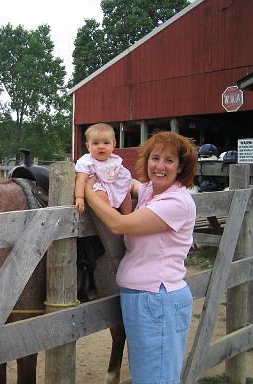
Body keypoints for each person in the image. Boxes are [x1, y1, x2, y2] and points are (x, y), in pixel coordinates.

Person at [84, 130, 198, 384]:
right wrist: (107, 176)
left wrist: (87, 190)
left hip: (157, 298)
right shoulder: (151, 191)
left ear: (181, 167)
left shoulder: (176, 202)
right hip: (143, 297)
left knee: (155, 378)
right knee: (148, 374)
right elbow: (132, 186)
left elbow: (118, 224)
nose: (159, 166)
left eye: (169, 160)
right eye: (154, 158)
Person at [74, 123, 132, 215]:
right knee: (100, 195)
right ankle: (112, 217)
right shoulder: (86, 161)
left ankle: (128, 216)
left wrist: (125, 186)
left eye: (106, 143)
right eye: (95, 143)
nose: (101, 146)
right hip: (98, 187)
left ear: (113, 145)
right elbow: (81, 179)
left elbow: (122, 177)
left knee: (126, 192)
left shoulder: (114, 160)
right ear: (88, 146)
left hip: (114, 186)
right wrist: (79, 197)